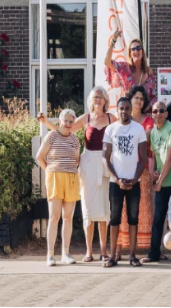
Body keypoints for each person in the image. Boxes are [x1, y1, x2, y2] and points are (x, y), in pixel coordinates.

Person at [37, 86, 114, 263]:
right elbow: (60, 133)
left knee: (82, 213)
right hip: (67, 173)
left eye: (101, 97)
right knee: (64, 214)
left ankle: (80, 252)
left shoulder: (107, 121)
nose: (98, 100)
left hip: (89, 171)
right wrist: (47, 123)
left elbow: (123, 129)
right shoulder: (79, 122)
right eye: (95, 97)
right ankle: (58, 254)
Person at [103, 97, 148, 268]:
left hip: (133, 182)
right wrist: (116, 178)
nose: (124, 111)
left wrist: (135, 179)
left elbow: (143, 157)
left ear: (131, 110)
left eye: (127, 108)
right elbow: (105, 157)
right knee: (114, 219)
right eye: (121, 108)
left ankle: (132, 256)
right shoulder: (110, 129)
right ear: (118, 110)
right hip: (116, 183)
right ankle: (112, 256)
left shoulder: (139, 129)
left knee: (133, 219)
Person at [35, 109, 81, 267]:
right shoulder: (52, 135)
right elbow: (39, 157)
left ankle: (66, 253)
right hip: (55, 177)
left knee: (68, 217)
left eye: (71, 121)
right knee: (54, 217)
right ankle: (50, 254)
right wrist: (49, 169)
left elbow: (76, 159)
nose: (68, 124)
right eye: (65, 120)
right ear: (60, 121)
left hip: (71, 178)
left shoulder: (75, 139)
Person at [117, 86, 155, 254]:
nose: (138, 101)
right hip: (125, 169)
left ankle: (149, 247)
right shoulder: (124, 120)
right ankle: (119, 247)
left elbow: (152, 145)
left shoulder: (150, 120)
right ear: (130, 100)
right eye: (136, 98)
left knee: (146, 207)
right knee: (123, 208)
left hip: (144, 169)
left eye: (141, 98)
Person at [145, 99, 171, 264]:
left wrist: (159, 181)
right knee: (158, 219)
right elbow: (153, 155)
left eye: (161, 110)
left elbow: (170, 158)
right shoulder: (153, 132)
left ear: (166, 114)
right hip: (161, 181)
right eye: (155, 111)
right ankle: (154, 254)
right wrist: (152, 171)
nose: (158, 113)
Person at [104, 30, 156, 111]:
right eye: (133, 49)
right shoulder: (124, 68)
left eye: (139, 48)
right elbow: (107, 62)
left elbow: (153, 96)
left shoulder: (149, 71)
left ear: (142, 52)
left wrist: (146, 109)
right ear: (130, 53)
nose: (136, 51)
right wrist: (114, 40)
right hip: (128, 114)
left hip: (145, 115)